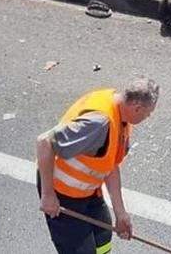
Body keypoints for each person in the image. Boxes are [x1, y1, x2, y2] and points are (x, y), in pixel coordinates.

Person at [36, 77, 159, 254]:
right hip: (62, 195)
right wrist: (48, 195)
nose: (148, 117)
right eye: (148, 113)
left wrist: (120, 213)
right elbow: (44, 142)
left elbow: (111, 165)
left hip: (88, 192)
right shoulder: (98, 124)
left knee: (103, 237)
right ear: (137, 108)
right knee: (79, 249)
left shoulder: (121, 116)